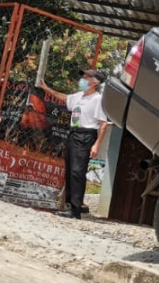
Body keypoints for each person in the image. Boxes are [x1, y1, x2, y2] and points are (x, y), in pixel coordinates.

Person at [37, 68, 110, 219]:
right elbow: (64, 97)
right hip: (74, 133)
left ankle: (76, 209)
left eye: (86, 77)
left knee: (78, 171)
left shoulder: (97, 99)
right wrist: (47, 89)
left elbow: (103, 124)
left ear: (94, 82)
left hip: (86, 135)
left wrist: (97, 144)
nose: (83, 79)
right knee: (71, 170)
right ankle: (71, 205)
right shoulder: (79, 96)